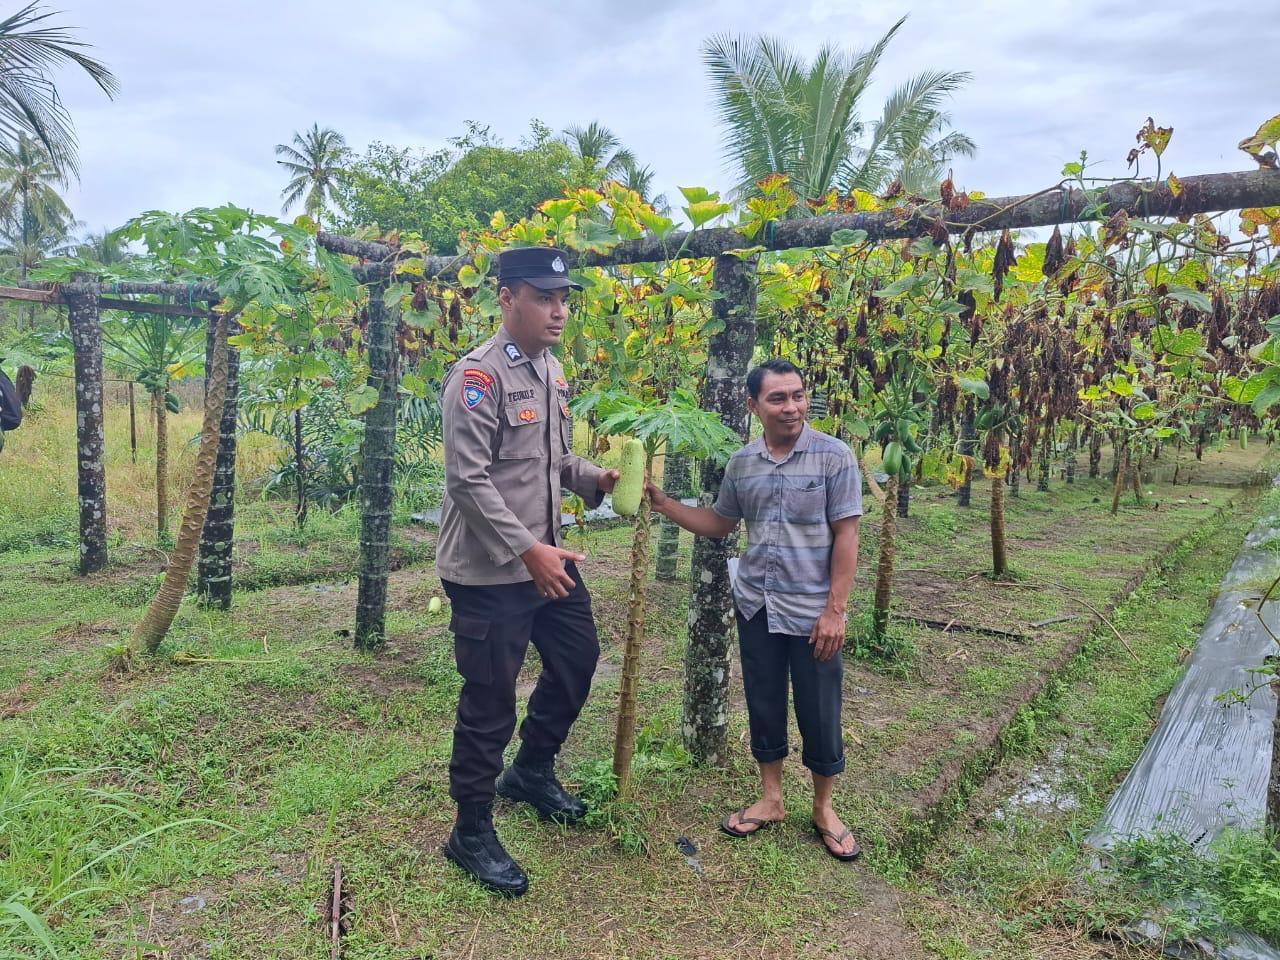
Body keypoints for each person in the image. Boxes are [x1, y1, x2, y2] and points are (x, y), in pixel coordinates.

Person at [436, 246, 619, 896]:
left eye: (563, 298)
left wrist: (597, 479)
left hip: (546, 558)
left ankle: (532, 771)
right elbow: (467, 479)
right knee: (489, 703)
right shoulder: (477, 377)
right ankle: (471, 830)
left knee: (577, 661)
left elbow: (554, 460)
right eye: (544, 297)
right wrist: (526, 550)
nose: (558, 310)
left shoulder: (551, 370)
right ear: (507, 297)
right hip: (492, 569)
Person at [646, 358, 864, 860]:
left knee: (820, 709)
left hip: (814, 611)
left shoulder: (834, 457)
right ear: (754, 406)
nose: (792, 407)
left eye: (798, 396)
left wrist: (837, 610)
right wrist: (664, 504)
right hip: (758, 604)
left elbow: (847, 536)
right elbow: (721, 523)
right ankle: (771, 799)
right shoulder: (743, 463)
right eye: (778, 398)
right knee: (764, 702)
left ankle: (824, 807)